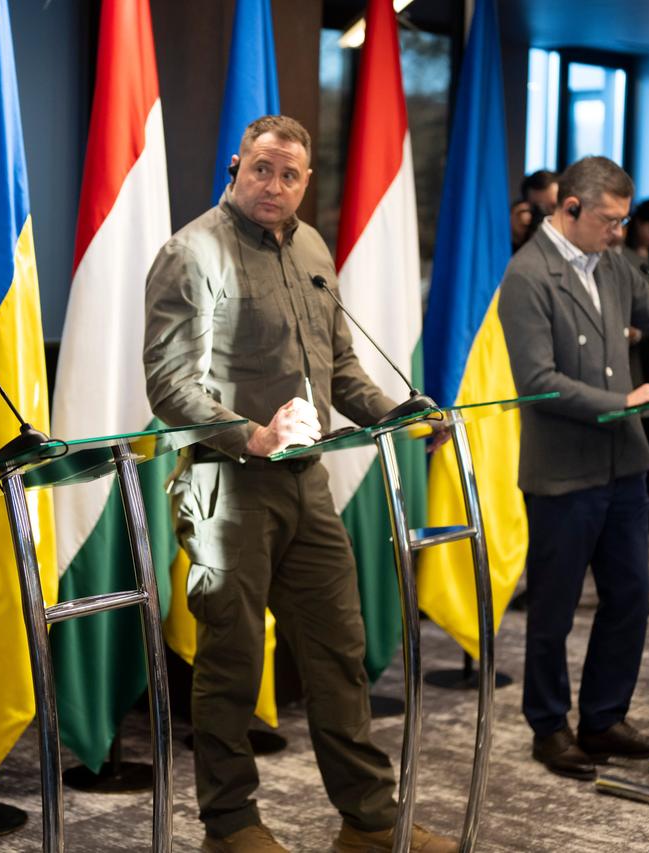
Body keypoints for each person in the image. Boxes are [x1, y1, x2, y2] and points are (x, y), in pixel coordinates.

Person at [143, 115, 455, 853]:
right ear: (235, 166)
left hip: (304, 484)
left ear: (307, 182)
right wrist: (251, 433)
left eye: (289, 175)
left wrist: (395, 411)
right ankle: (231, 824)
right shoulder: (191, 253)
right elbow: (169, 383)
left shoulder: (312, 247)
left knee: (338, 647)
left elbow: (338, 366)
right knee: (233, 657)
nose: (274, 185)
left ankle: (370, 818)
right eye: (261, 169)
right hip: (223, 485)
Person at [496, 156, 649, 781]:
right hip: (563, 470)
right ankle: (549, 727)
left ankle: (602, 718)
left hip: (624, 464)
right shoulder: (527, 276)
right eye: (609, 220)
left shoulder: (616, 263)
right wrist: (621, 402)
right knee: (555, 608)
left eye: (624, 221)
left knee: (630, 598)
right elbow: (537, 384)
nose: (620, 232)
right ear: (569, 209)